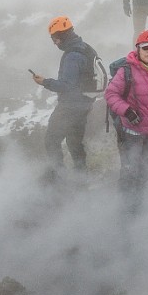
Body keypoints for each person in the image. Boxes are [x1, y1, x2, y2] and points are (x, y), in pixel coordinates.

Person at [104, 29, 148, 213]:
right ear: (138, 50)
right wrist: (127, 111)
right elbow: (111, 94)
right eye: (145, 48)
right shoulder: (126, 71)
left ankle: (138, 201)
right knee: (130, 170)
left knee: (145, 169)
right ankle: (126, 208)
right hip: (131, 133)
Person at [31, 16, 97, 178]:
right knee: (74, 142)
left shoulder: (72, 56)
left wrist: (44, 82)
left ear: (62, 35)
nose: (54, 42)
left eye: (55, 38)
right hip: (85, 104)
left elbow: (67, 86)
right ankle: (81, 176)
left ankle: (58, 176)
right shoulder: (86, 48)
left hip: (70, 106)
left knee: (51, 140)